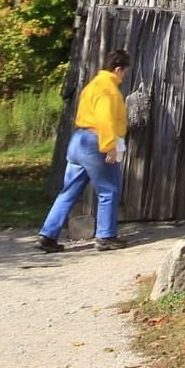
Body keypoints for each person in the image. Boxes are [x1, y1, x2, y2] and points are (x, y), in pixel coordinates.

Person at [38, 48, 129, 252]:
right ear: (118, 69)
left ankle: (48, 234)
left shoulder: (92, 86)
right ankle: (106, 236)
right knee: (109, 190)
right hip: (95, 142)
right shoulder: (108, 90)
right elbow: (104, 119)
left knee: (69, 190)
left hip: (79, 140)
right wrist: (109, 147)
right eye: (124, 72)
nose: (124, 76)